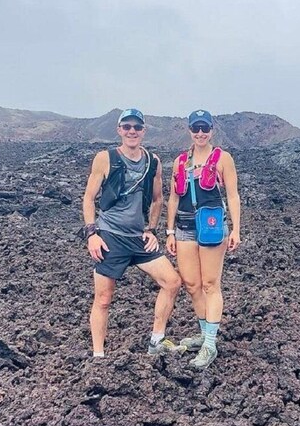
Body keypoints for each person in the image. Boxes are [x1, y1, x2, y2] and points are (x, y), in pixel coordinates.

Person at [82, 108, 185, 357]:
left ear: (143, 131)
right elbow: (88, 197)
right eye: (127, 127)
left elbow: (159, 199)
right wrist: (91, 234)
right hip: (110, 237)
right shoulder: (104, 158)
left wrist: (151, 230)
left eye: (137, 127)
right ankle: (98, 357)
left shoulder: (153, 162)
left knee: (172, 282)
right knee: (104, 299)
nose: (132, 131)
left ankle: (156, 340)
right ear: (119, 130)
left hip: (139, 239)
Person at [166, 109, 241, 369]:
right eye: (195, 128)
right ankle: (203, 330)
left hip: (211, 227)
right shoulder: (180, 162)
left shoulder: (223, 159)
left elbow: (232, 195)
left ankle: (210, 343)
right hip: (185, 227)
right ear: (189, 130)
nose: (200, 133)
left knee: (211, 284)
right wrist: (170, 232)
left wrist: (236, 229)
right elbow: (173, 198)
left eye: (204, 128)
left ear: (212, 130)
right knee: (192, 284)